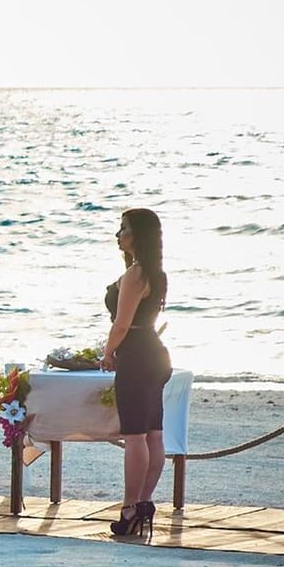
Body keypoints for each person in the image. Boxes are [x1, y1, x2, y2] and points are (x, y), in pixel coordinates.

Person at [98, 208, 169, 539]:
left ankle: (129, 508)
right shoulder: (157, 274)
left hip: (137, 355)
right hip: (156, 353)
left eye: (123, 228)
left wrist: (108, 351)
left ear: (137, 235)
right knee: (154, 433)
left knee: (136, 435)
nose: (118, 234)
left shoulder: (136, 275)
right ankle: (143, 502)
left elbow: (122, 323)